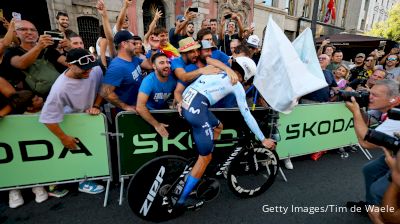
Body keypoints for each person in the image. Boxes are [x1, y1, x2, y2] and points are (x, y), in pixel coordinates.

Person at [175, 55, 276, 208]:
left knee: (218, 126)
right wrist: (262, 139)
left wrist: (182, 100)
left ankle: (206, 157)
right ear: (247, 75)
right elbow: (246, 115)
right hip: (197, 109)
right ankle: (181, 200)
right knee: (205, 158)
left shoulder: (217, 70)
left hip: (189, 101)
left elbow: (208, 59)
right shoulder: (236, 84)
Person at [39, 48, 105, 194]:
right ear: (69, 65)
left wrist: (96, 105)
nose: (88, 71)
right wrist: (63, 137)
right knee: (76, 154)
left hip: (88, 118)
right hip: (69, 121)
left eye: (90, 67)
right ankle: (80, 182)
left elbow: (103, 87)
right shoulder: (59, 89)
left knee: (94, 149)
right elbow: (48, 118)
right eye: (83, 69)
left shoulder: (94, 69)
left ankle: (95, 174)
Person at [345, 79, 400, 214]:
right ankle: (372, 205)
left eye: (375, 95)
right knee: (370, 170)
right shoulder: (384, 107)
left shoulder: (397, 118)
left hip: (398, 158)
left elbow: (366, 142)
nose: (369, 97)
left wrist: (355, 112)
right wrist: (360, 107)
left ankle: (383, 213)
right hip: (395, 151)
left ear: (394, 99)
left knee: (377, 190)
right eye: (370, 92)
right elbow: (367, 123)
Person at [136, 53, 176, 137]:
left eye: (167, 62)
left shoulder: (173, 78)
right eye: (161, 63)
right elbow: (140, 107)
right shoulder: (148, 81)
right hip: (149, 116)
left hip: (164, 114)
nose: (166, 65)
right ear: (154, 66)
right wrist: (157, 125)